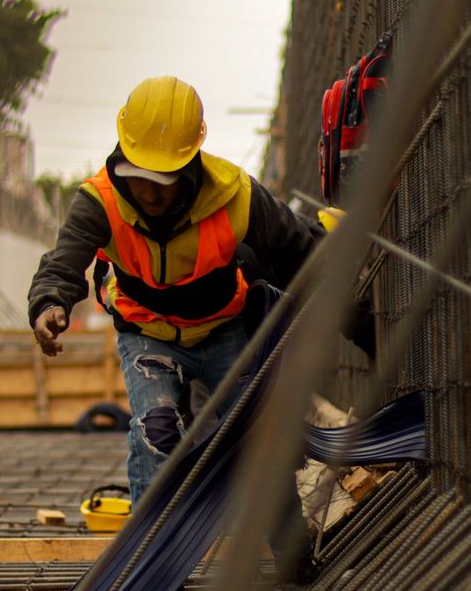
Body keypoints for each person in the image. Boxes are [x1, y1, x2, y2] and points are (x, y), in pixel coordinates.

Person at [28, 76, 360, 518]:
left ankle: (287, 544)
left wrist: (358, 321)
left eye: (161, 180)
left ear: (188, 165)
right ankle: (151, 559)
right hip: (147, 332)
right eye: (136, 176)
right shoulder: (99, 200)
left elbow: (301, 254)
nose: (148, 192)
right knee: (156, 431)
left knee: (256, 431)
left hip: (222, 328)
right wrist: (50, 302)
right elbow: (63, 260)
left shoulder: (234, 195)